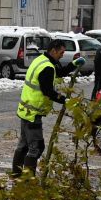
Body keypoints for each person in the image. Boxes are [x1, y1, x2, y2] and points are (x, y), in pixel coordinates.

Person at [12, 37, 68, 176]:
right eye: (61, 52)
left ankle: (16, 174)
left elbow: (59, 72)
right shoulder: (47, 67)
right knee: (36, 147)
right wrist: (65, 100)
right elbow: (48, 91)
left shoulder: (41, 60)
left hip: (25, 110)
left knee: (23, 145)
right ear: (53, 51)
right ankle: (27, 179)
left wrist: (74, 64)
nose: (62, 55)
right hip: (33, 114)